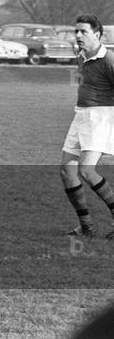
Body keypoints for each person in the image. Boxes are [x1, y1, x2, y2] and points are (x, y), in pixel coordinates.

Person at [58, 14, 114, 238]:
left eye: (84, 32)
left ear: (98, 35)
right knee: (66, 171)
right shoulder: (80, 57)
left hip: (100, 118)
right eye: (76, 31)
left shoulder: (109, 60)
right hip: (80, 116)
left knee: (86, 171)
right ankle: (86, 225)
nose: (78, 35)